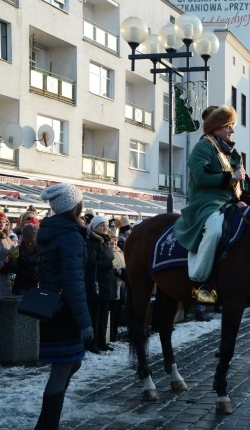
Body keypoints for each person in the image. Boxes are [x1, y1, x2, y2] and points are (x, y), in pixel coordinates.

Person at [35, 184, 93, 429]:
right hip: (65, 311)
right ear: (74, 206)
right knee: (61, 369)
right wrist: (85, 322)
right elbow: (73, 284)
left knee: (72, 363)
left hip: (53, 307)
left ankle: (45, 423)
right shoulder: (69, 235)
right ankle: (48, 426)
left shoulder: (53, 230)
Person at [173, 105, 250, 284]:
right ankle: (199, 278)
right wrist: (232, 176)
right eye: (228, 126)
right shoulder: (202, 148)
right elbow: (201, 177)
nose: (232, 130)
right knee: (215, 231)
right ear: (215, 127)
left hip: (230, 202)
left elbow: (243, 182)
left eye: (232, 125)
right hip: (207, 203)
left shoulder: (233, 153)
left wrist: (244, 199)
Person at [85, 215, 118, 353]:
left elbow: (112, 259)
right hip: (97, 284)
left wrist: (115, 265)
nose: (105, 228)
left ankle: (103, 342)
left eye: (106, 226)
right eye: (101, 226)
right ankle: (93, 344)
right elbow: (89, 263)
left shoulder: (104, 241)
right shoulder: (92, 242)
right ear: (94, 227)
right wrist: (109, 264)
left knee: (104, 316)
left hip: (108, 283)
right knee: (95, 316)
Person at [108, 229, 128, 342]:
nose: (114, 243)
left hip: (121, 285)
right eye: (112, 242)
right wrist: (118, 271)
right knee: (113, 311)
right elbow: (113, 266)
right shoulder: (111, 253)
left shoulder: (120, 252)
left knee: (118, 311)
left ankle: (114, 332)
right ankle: (111, 333)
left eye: (115, 241)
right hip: (114, 285)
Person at [9, 223, 39, 296]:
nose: (29, 244)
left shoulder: (41, 250)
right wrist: (12, 261)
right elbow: (13, 270)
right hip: (21, 284)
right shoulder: (17, 250)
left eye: (32, 241)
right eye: (27, 241)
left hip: (36, 284)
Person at [0, 211, 18, 299]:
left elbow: (9, 252)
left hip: (5, 275)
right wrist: (2, 264)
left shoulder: (6, 237)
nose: (1, 224)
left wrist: (15, 249)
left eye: (3, 222)